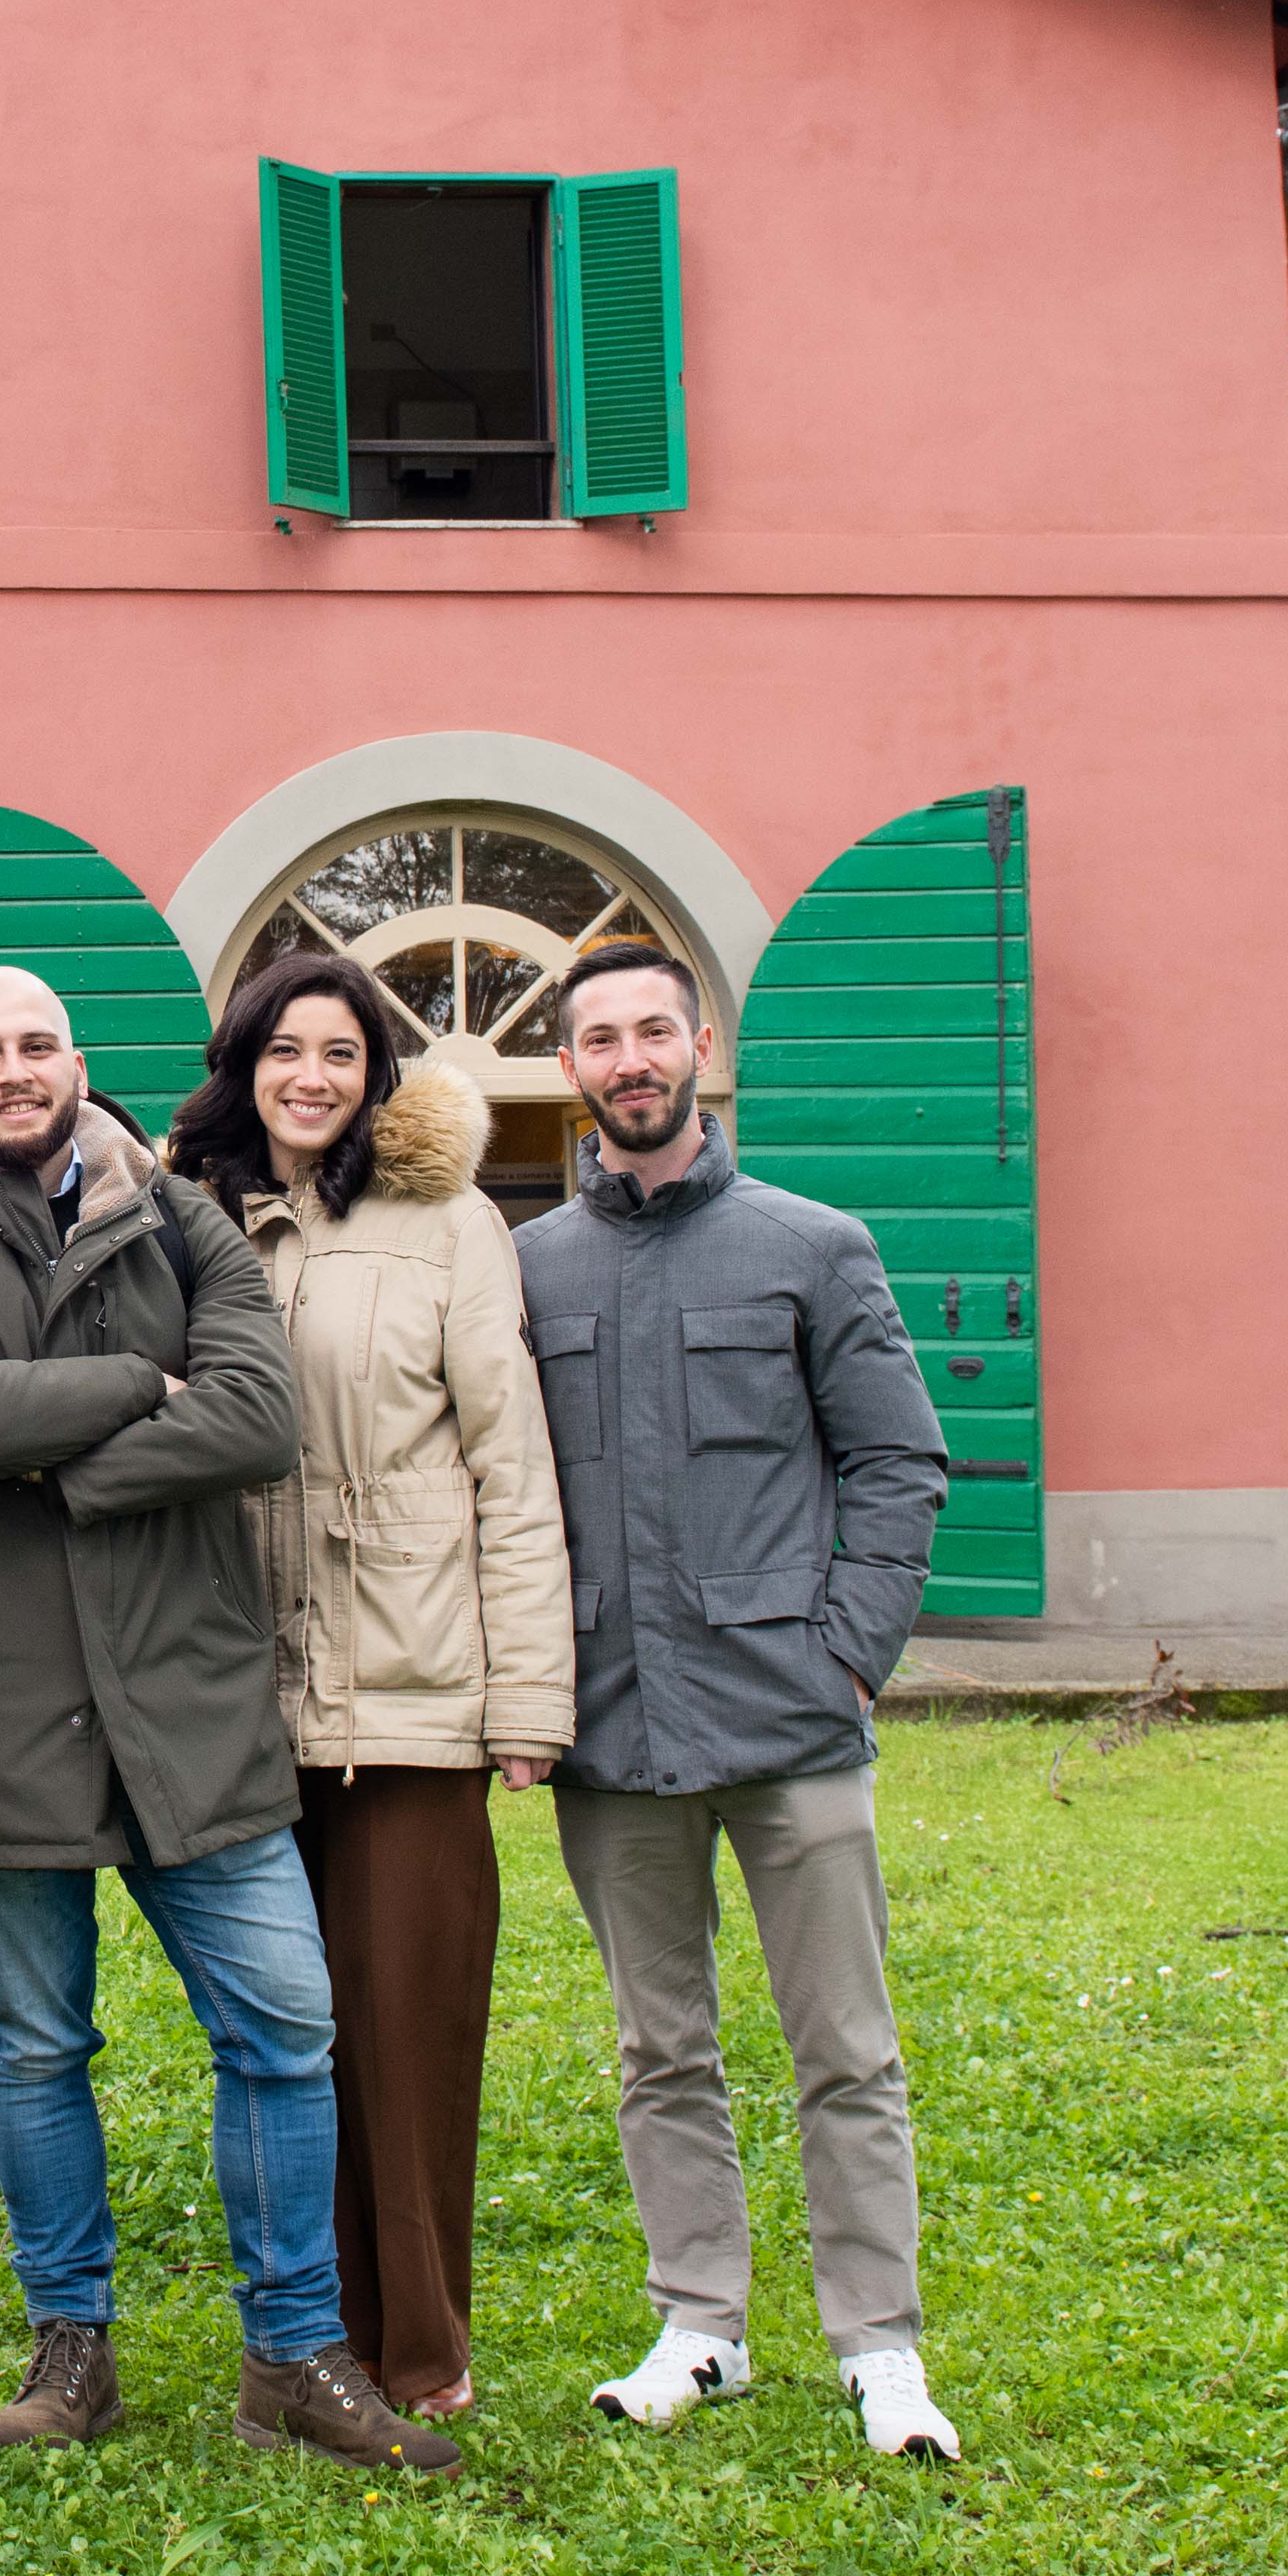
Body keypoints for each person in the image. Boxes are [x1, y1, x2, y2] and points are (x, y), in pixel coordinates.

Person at [0, 964, 459, 2476]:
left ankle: (293, 2353)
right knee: (35, 2037)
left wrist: (58, 1460)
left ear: (76, 1061)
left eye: (35, 1043)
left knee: (281, 2023)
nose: (12, 1068)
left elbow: (257, 1417)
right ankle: (72, 2346)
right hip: (2, 1696)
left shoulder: (178, 1214)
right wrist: (137, 1378)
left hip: (189, 1688)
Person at [517, 935, 964, 2465]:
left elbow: (898, 1458)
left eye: (653, 1028)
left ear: (698, 1044)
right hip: (613, 1725)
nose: (629, 1056)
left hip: (787, 1717)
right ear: (567, 1064)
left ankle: (878, 2344)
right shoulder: (529, 1268)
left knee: (844, 2044)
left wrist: (846, 1647)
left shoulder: (811, 1244)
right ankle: (697, 2317)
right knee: (661, 2047)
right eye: (598, 1036)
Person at [163, 948, 569, 2427]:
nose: (310, 1076)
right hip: (230, 1690)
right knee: (285, 2029)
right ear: (245, 1061)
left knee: (405, 2026)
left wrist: (526, 1699)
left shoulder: (451, 1222)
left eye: (339, 1052)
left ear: (371, 1074)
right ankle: (303, 2337)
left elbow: (508, 1466)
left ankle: (419, 2347)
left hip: (408, 1684)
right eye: (285, 1050)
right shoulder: (187, 1214)